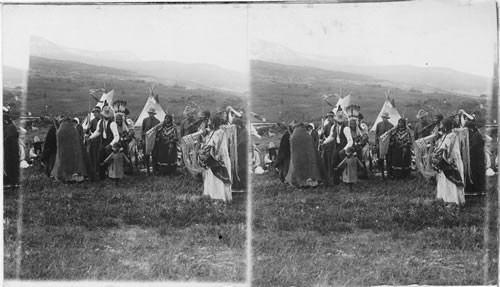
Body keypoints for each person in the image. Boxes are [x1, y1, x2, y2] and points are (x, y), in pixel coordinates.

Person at [432, 118, 465, 206]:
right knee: (444, 180)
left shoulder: (452, 135)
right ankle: (445, 198)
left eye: (442, 125)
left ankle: (453, 200)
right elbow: (440, 145)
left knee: (451, 181)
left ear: (446, 126)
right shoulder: (444, 135)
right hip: (444, 160)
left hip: (450, 160)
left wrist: (439, 152)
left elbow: (449, 148)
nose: (440, 127)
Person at [201, 115, 232, 202]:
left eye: (210, 122)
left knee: (219, 179)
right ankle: (212, 195)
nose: (208, 123)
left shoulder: (220, 132)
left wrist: (206, 149)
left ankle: (220, 197)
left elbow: (217, 145)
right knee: (212, 178)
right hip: (211, 157)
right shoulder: (211, 133)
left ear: (214, 123)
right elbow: (207, 143)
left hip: (218, 158)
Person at [286, 123, 326, 188]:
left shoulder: (293, 136)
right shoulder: (307, 136)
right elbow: (312, 147)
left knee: (298, 169)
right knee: (309, 169)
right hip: (308, 157)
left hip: (297, 158)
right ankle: (311, 183)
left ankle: (300, 183)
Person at [51, 117, 88, 182]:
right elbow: (78, 141)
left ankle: (65, 177)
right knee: (73, 164)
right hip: (73, 151)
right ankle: (74, 178)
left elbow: (58, 141)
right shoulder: (72, 129)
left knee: (64, 163)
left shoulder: (60, 130)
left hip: (63, 152)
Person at [87, 106, 120, 180]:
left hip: (111, 143)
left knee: (110, 159)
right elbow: (97, 132)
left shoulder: (112, 124)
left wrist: (111, 145)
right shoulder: (100, 122)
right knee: (100, 158)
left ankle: (113, 176)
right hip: (103, 142)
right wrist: (90, 137)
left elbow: (117, 137)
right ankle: (102, 176)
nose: (105, 116)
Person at [322, 109, 353, 186]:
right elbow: (331, 137)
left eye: (340, 120)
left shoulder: (346, 128)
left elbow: (350, 141)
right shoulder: (334, 127)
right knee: (334, 163)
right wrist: (324, 142)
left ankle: (346, 181)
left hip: (345, 147)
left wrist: (344, 149)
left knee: (344, 164)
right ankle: (336, 182)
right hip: (337, 146)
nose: (339, 122)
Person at [464, 121, 485, 195]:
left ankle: (478, 190)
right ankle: (475, 189)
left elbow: (474, 147)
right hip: (475, 157)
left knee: (477, 173)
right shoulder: (474, 134)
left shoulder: (476, 135)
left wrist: (466, 150)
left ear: (470, 129)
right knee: (474, 173)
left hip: (477, 158)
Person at [375, 112, 394, 179]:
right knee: (381, 159)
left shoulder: (391, 126)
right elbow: (376, 135)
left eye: (385, 118)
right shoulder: (378, 125)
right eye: (383, 118)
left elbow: (392, 136)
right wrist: (377, 143)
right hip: (380, 144)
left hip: (388, 145)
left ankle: (389, 174)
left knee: (389, 159)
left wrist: (391, 143)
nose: (384, 119)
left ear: (387, 118)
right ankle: (382, 174)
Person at [141, 107, 161, 175]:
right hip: (146, 140)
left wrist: (157, 138)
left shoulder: (157, 122)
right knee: (146, 155)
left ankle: (154, 170)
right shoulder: (145, 120)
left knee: (154, 155)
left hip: (154, 140)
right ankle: (148, 170)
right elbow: (142, 130)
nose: (150, 115)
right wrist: (143, 139)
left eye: (152, 113)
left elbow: (159, 131)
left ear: (154, 114)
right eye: (149, 113)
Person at [232, 118, 248, 191]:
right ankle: (239, 185)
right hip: (238, 152)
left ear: (238, 125)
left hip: (242, 153)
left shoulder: (244, 131)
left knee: (243, 168)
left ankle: (244, 186)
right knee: (238, 168)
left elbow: (242, 142)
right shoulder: (239, 131)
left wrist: (235, 146)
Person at [4, 113, 20, 188]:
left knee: (11, 166)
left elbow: (9, 140)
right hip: (10, 151)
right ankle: (12, 181)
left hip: (10, 151)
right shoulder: (10, 127)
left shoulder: (10, 127)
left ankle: (12, 182)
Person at [86, 106, 101, 181]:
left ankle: (100, 171)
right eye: (94, 113)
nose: (95, 114)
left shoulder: (102, 121)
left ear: (99, 113)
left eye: (96, 112)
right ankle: (95, 171)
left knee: (100, 156)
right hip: (94, 141)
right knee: (94, 156)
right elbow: (88, 131)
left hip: (101, 140)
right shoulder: (92, 121)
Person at [320, 112, 335, 184]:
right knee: (327, 159)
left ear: (333, 117)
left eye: (330, 117)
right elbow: (323, 136)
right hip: (328, 145)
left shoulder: (336, 125)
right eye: (327, 117)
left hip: (335, 145)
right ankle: (328, 174)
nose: (328, 119)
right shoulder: (326, 126)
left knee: (333, 160)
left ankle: (333, 174)